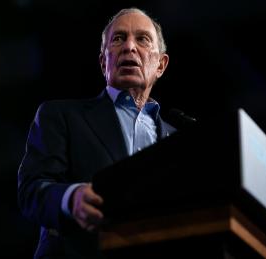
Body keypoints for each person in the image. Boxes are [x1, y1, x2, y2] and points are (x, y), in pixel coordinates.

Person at [17, 8, 175, 258]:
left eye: (142, 39)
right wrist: (72, 198)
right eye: (118, 38)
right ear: (104, 62)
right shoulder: (60, 116)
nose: (129, 47)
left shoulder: (179, 140)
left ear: (161, 65)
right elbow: (31, 192)